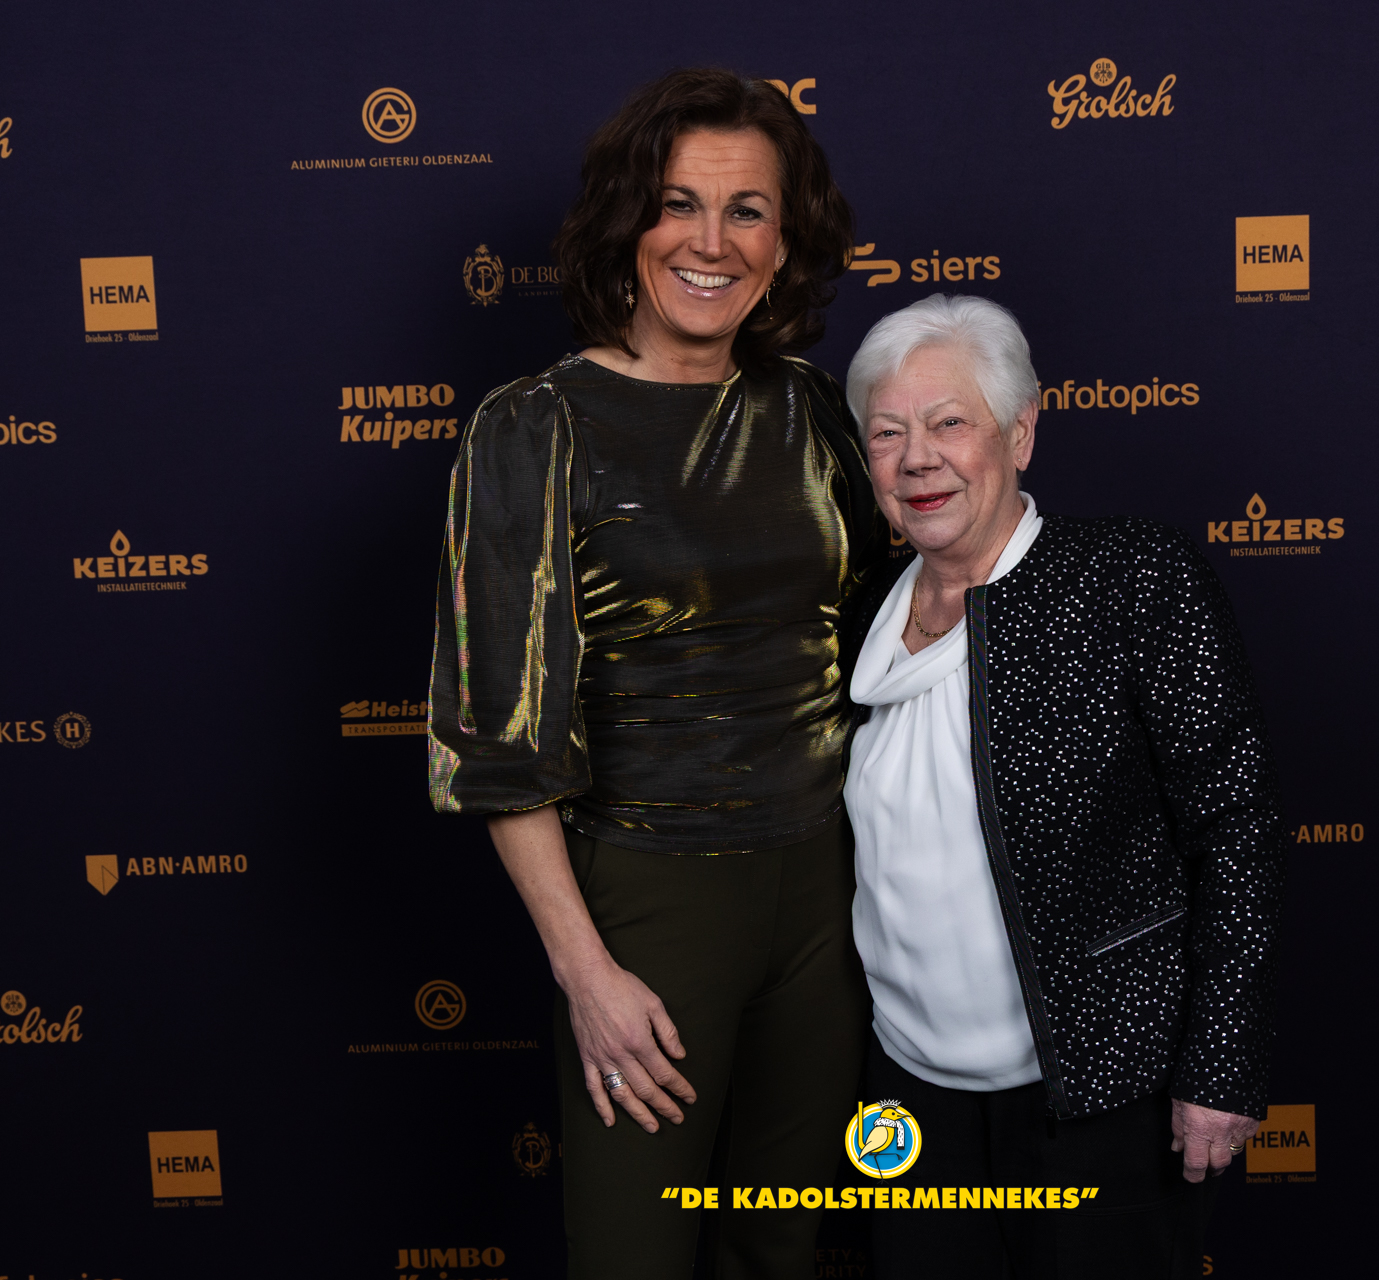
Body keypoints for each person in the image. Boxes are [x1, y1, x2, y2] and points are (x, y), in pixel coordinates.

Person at [426, 68, 879, 1279]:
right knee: (636, 1253)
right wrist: (587, 971)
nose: (710, 241)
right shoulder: (535, 425)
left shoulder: (816, 411)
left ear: (785, 242)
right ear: (628, 222)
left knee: (785, 1247)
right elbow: (497, 741)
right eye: (678, 203)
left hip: (830, 895)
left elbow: (895, 636)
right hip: (648, 901)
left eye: (746, 211)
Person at [840, 294, 1286, 1278]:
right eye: (887, 433)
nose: (917, 459)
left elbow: (1237, 827)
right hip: (907, 1099)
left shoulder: (1131, 580)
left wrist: (1221, 1060)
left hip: (1102, 1094)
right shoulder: (861, 612)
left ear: (1021, 433)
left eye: (949, 423)